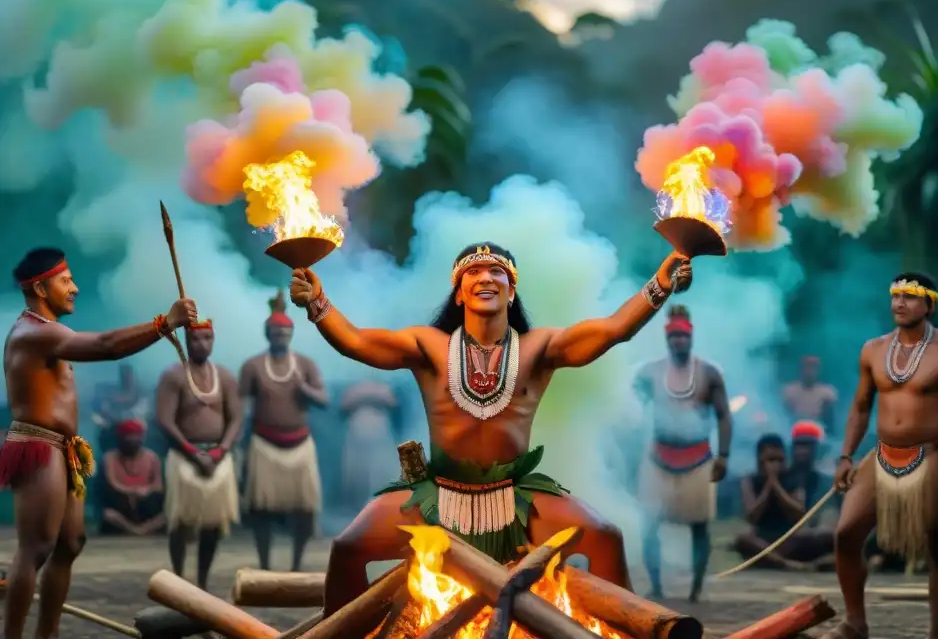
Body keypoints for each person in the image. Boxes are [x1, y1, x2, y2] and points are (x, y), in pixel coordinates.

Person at [290, 241, 692, 613]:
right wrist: (317, 302)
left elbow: (614, 329)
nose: (485, 277)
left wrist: (661, 282)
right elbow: (357, 342)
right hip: (437, 499)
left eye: (497, 272)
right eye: (474, 272)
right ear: (460, 293)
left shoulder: (540, 347)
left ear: (511, 291)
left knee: (603, 536)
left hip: (516, 501)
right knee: (347, 546)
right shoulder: (428, 345)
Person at [0, 246, 195, 639]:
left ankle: (48, 634)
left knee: (70, 542)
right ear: (40, 288)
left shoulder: (46, 331)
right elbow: (106, 345)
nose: (74, 288)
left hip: (63, 448)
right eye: (65, 280)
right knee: (35, 549)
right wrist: (164, 324)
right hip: (38, 445)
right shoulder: (34, 334)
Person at [824, 273, 938, 639]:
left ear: (929, 305)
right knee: (846, 535)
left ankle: (936, 634)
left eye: (910, 297)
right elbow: (861, 406)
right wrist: (846, 456)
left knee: (935, 545)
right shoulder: (873, 349)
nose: (899, 302)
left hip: (930, 456)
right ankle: (856, 622)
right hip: (880, 456)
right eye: (895, 295)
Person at [633, 304, 730, 602]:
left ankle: (696, 590)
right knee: (650, 525)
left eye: (683, 336)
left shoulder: (710, 373)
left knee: (699, 527)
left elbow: (724, 416)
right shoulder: (649, 373)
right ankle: (657, 587)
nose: (679, 341)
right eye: (673, 336)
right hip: (658, 457)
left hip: (698, 458)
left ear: (691, 338)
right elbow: (628, 404)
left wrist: (723, 456)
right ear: (667, 339)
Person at [239, 290, 328, 572]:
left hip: (300, 444)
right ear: (268, 334)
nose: (280, 338)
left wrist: (305, 389)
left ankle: (296, 565)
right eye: (275, 333)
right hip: (263, 443)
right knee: (261, 510)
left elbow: (324, 400)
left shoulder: (305, 365)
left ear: (291, 335)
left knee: (304, 510)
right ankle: (264, 565)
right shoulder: (252, 366)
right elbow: (240, 405)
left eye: (285, 334)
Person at [155, 319, 244, 590]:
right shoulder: (174, 376)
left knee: (213, 526)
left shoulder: (226, 376)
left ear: (213, 340)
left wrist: (221, 450)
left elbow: (236, 418)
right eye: (196, 339)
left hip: (218, 456)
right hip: (185, 457)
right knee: (181, 524)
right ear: (186, 341)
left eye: (207, 338)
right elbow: (165, 421)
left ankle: (202, 583)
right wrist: (193, 454)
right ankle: (179, 578)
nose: (202, 344)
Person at [734, 434, 831, 569]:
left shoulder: (794, 478)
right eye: (771, 460)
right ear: (760, 460)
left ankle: (824, 561)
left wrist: (777, 487)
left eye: (779, 460)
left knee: (826, 534)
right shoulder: (749, 481)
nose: (776, 464)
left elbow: (799, 514)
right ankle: (785, 564)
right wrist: (769, 486)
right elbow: (752, 517)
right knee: (743, 539)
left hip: (791, 539)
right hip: (764, 540)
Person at [338, 379, 401, 512]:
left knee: (379, 469)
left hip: (379, 434)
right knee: (358, 470)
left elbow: (393, 404)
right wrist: (366, 397)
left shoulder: (384, 387)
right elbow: (343, 407)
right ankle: (360, 506)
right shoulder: (352, 390)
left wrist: (369, 397)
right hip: (357, 433)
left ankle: (380, 504)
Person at [99, 419, 165, 536]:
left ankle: (140, 530)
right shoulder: (110, 457)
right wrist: (133, 491)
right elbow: (112, 483)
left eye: (136, 436)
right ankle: (135, 530)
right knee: (109, 514)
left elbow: (158, 486)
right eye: (128, 437)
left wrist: (145, 491)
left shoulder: (152, 457)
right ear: (120, 439)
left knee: (166, 511)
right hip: (123, 506)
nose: (132, 440)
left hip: (146, 503)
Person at [92, 363, 149, 454]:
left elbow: (142, 413)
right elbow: (101, 414)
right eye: (124, 375)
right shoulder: (110, 394)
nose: (127, 378)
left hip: (134, 431)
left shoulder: (141, 393)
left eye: (129, 375)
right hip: (113, 431)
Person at [782, 356, 838, 435]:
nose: (809, 371)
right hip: (795, 428)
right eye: (807, 367)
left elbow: (830, 419)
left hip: (818, 429)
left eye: (813, 367)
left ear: (818, 370)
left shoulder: (827, 392)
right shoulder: (789, 390)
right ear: (801, 369)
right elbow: (785, 415)